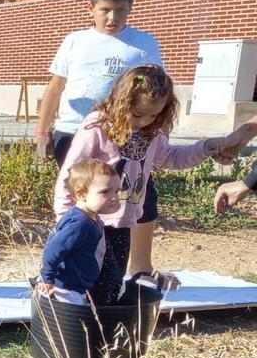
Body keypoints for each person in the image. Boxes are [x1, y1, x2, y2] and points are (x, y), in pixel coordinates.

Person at [54, 65, 254, 305]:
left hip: (122, 223)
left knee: (110, 285)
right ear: (121, 101)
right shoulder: (97, 126)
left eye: (153, 116)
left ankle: (104, 333)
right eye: (137, 114)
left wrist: (209, 146)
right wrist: (66, 220)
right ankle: (79, 332)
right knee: (84, 283)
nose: (144, 121)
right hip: (90, 224)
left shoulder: (152, 132)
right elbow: (70, 174)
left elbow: (171, 157)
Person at [32, 0, 165, 282]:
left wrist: (157, 135)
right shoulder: (76, 41)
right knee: (87, 198)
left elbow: (159, 89)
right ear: (91, 8)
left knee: (137, 195)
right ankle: (78, 267)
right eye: (105, 9)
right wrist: (42, 132)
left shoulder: (143, 44)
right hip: (76, 131)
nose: (112, 17)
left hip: (126, 135)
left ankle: (139, 268)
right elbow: (55, 88)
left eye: (121, 10)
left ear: (131, 8)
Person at [37, 158, 120, 305]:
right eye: (105, 192)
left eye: (117, 191)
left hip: (76, 288)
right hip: (65, 289)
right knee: (69, 326)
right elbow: (53, 249)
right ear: (81, 194)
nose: (114, 197)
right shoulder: (79, 223)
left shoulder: (91, 218)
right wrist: (47, 278)